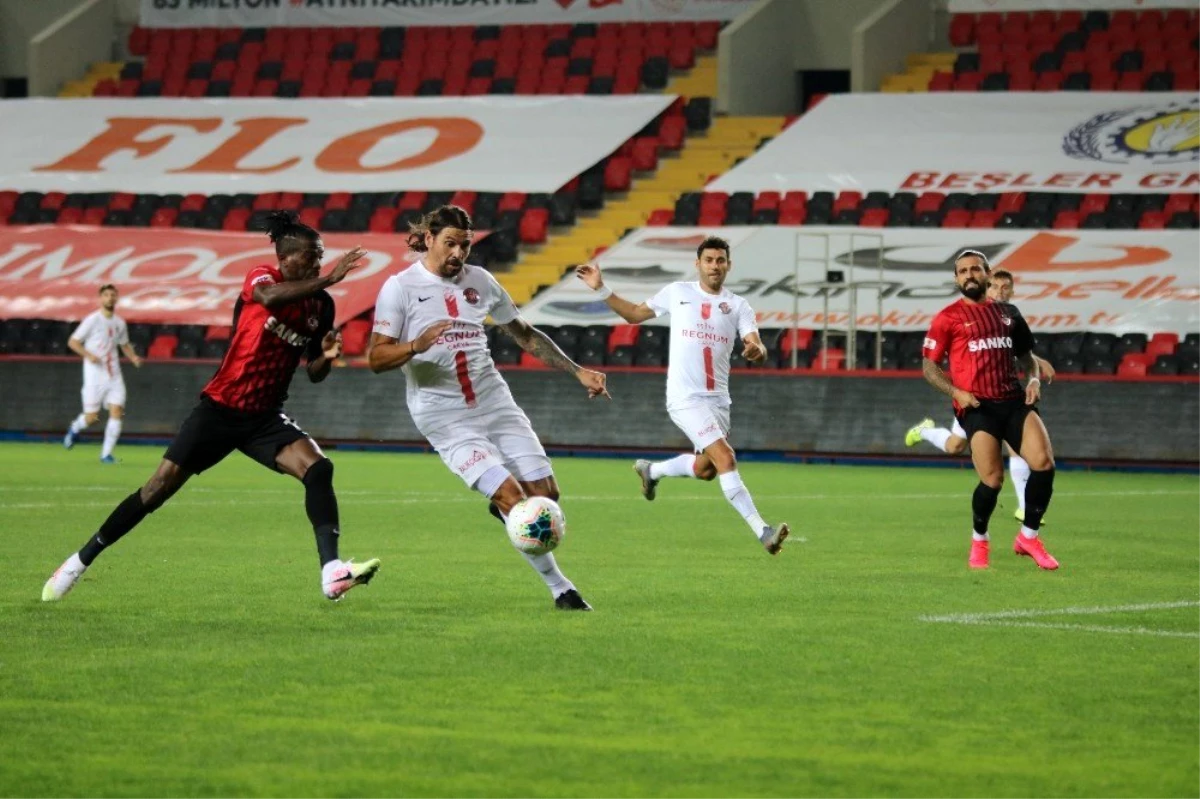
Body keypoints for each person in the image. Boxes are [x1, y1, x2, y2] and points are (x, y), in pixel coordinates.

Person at [42, 211, 380, 602]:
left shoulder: (320, 306)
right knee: (156, 490)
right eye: (311, 256)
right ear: (286, 259)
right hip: (221, 408)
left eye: (321, 257)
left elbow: (314, 372)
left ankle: (331, 572)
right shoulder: (262, 276)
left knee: (319, 468)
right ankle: (78, 562)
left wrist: (326, 355)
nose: (318, 264)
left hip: (264, 417)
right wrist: (329, 279)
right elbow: (267, 298)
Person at [367, 205, 608, 611]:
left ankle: (503, 508)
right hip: (444, 414)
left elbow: (524, 334)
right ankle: (561, 589)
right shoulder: (400, 288)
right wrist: (414, 345)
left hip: (495, 402)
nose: (458, 253)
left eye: (465, 245)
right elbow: (375, 357)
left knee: (547, 497)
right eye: (449, 244)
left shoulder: (480, 281)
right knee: (516, 502)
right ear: (428, 240)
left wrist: (577, 370)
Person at [575, 235, 790, 555]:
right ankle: (763, 531)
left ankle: (652, 471)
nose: (714, 266)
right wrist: (601, 288)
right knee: (726, 457)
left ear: (729, 265)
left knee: (707, 469)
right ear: (698, 264)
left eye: (720, 260)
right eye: (709, 260)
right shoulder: (678, 292)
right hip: (685, 399)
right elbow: (634, 314)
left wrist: (754, 350)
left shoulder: (738, 305)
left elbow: (757, 346)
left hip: (718, 401)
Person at [920, 250, 1058, 571]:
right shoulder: (946, 318)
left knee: (1044, 463)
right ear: (956, 279)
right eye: (962, 271)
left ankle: (1028, 537)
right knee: (993, 479)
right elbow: (929, 367)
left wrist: (1034, 379)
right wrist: (957, 393)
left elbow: (1026, 357)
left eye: (975, 269)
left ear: (987, 273)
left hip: (1013, 400)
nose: (969, 275)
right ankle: (979, 540)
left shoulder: (1009, 313)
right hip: (977, 406)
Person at [62, 284, 143, 463]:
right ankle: (75, 428)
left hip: (114, 374)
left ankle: (106, 454)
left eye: (113, 295)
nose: (110, 298)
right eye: (106, 295)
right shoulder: (92, 320)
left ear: (116, 298)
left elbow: (124, 344)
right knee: (92, 418)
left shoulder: (120, 323)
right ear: (100, 298)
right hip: (94, 376)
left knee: (117, 411)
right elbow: (73, 342)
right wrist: (88, 355)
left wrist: (133, 357)